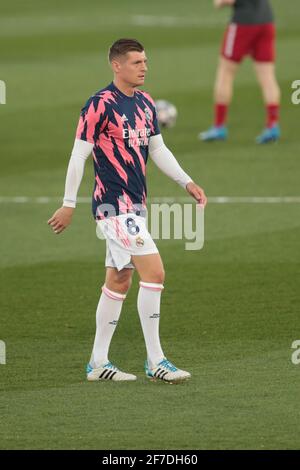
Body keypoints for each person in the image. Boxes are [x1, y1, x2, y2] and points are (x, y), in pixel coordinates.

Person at [48, 38, 207, 383]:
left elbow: (158, 149)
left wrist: (186, 181)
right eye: (136, 62)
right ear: (116, 66)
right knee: (155, 274)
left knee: (119, 280)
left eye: (145, 61)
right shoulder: (99, 105)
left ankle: (97, 363)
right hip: (113, 207)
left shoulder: (147, 103)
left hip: (135, 207)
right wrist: (68, 203)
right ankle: (156, 361)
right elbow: (79, 155)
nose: (144, 67)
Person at [200, 0, 281, 144]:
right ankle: (273, 125)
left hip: (243, 23)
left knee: (225, 72)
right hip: (266, 21)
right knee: (267, 76)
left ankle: (219, 127)